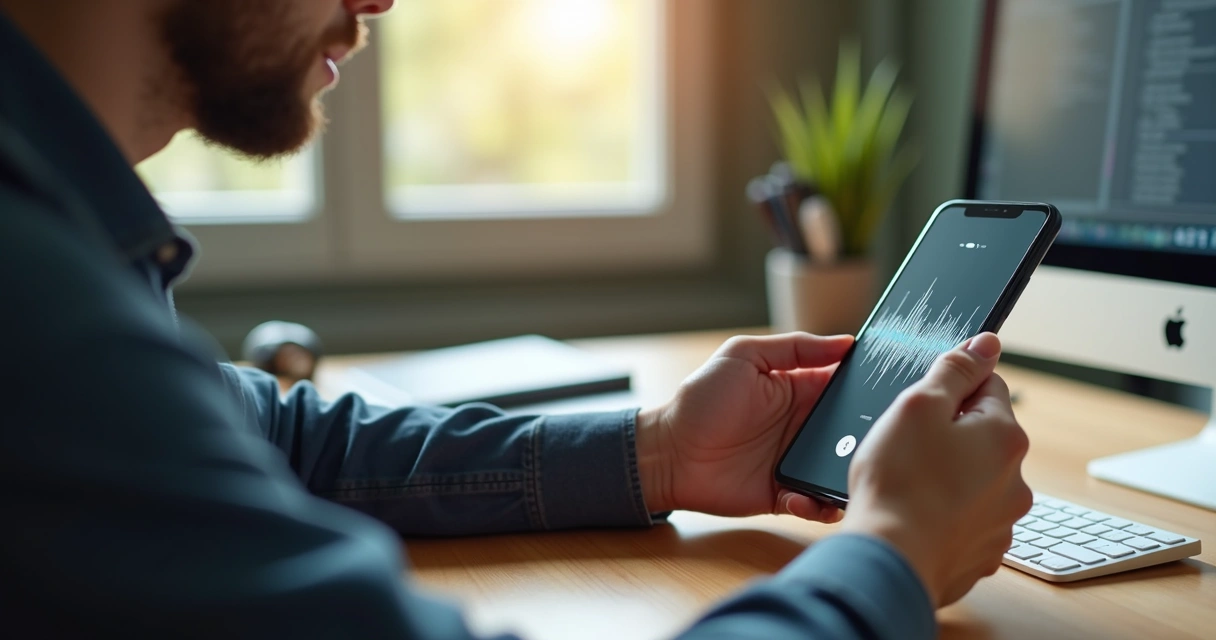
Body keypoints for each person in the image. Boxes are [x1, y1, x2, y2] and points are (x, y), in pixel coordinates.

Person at [0, 1, 1032, 638]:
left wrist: (658, 452)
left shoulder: (67, 229)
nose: (379, 1)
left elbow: (276, 436)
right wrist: (891, 559)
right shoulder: (32, 299)